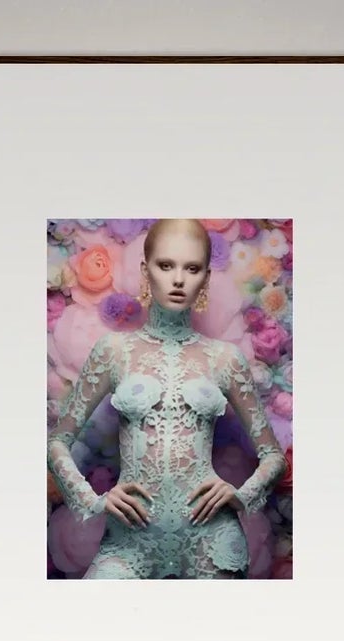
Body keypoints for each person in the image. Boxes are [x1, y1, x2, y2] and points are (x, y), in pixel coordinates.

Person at [48, 218, 286, 579]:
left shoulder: (225, 359)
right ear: (146, 272)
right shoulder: (114, 351)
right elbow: (57, 442)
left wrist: (240, 494)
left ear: (205, 277)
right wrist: (92, 499)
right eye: (166, 266)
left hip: (211, 538)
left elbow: (273, 457)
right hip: (129, 539)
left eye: (191, 269)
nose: (178, 279)